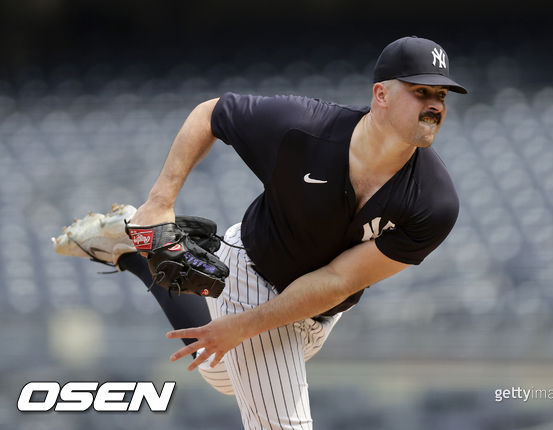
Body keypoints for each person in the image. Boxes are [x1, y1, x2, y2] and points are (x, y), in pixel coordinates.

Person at [53, 36, 467, 429]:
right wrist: (160, 201)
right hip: (254, 269)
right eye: (421, 92)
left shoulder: (433, 201)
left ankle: (134, 250)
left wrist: (244, 326)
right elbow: (211, 114)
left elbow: (339, 279)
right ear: (381, 95)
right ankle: (146, 231)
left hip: (319, 306)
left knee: (221, 374)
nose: (434, 105)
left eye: (441, 96)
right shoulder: (302, 129)